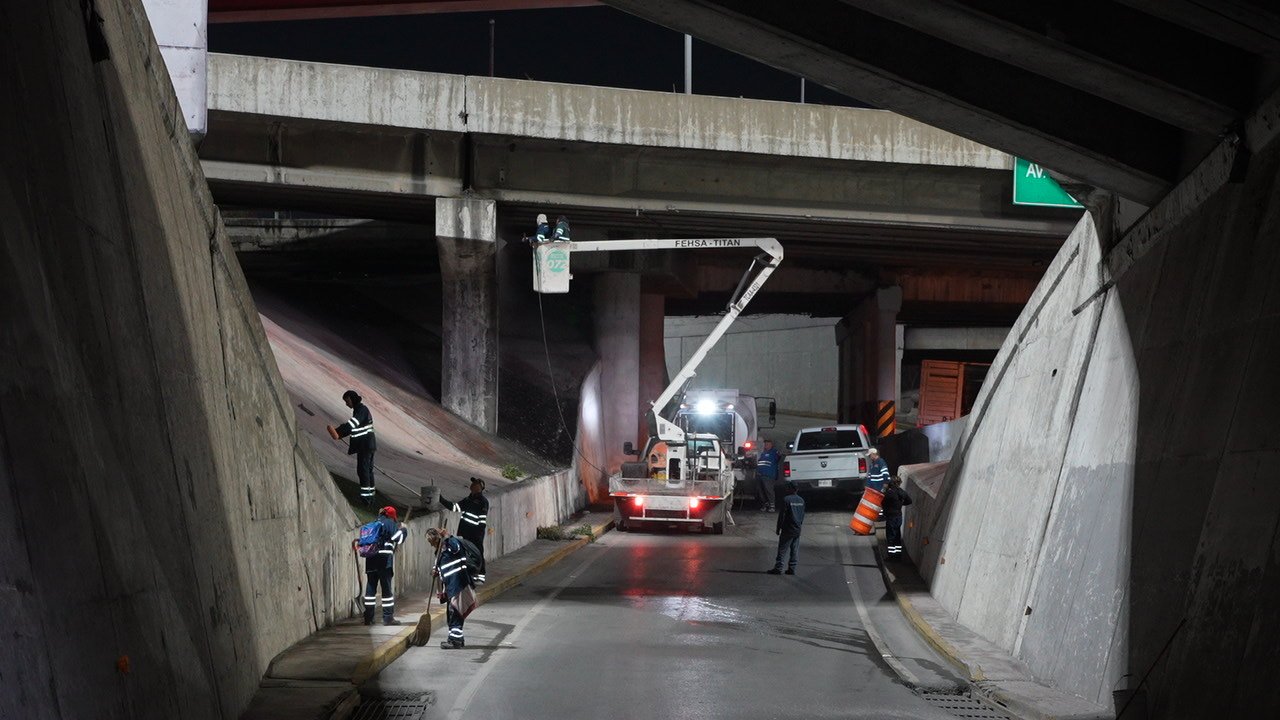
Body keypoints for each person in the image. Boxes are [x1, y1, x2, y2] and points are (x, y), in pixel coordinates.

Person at [428, 527, 482, 649]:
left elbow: (456, 549)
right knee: (453, 613)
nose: (431, 545)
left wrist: (447, 536)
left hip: (458, 583)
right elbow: (444, 565)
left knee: (455, 612)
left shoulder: (451, 543)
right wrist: (436, 571)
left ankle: (455, 641)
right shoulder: (441, 551)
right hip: (451, 585)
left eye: (431, 542)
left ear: (436, 539)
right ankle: (456, 638)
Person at [356, 506, 406, 626]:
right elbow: (397, 539)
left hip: (371, 559)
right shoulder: (389, 523)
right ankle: (388, 618)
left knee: (371, 588)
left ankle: (368, 617)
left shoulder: (373, 523)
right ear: (391, 516)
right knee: (386, 590)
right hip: (384, 561)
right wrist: (404, 530)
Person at [327, 390, 377, 506]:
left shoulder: (361, 410)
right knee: (368, 471)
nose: (346, 404)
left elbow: (353, 424)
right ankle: (370, 498)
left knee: (363, 471)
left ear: (352, 398)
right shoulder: (360, 409)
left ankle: (366, 499)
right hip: (368, 445)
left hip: (365, 446)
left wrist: (339, 432)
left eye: (347, 401)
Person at [441, 477, 490, 582]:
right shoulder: (468, 500)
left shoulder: (483, 502)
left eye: (475, 484)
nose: (471, 485)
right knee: (467, 553)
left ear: (479, 488)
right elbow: (455, 507)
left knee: (478, 553)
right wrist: (441, 499)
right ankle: (471, 573)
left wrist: (479, 534)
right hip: (465, 532)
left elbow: (482, 520)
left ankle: (480, 575)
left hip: (476, 534)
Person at [768, 481, 805, 575]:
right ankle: (792, 568)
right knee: (794, 549)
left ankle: (778, 568)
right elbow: (802, 515)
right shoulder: (801, 500)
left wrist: (778, 528)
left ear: (790, 489)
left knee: (782, 549)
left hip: (787, 529)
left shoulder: (786, 500)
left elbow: (782, 516)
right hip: (797, 529)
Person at [882, 477, 913, 560]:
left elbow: (883, 502)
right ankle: (898, 555)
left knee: (891, 537)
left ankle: (891, 557)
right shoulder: (902, 492)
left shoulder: (890, 493)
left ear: (891, 484)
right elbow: (909, 501)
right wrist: (900, 504)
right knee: (897, 536)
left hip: (891, 517)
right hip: (899, 517)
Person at [755, 439, 779, 512]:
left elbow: (779, 457)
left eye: (768, 444)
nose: (766, 445)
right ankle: (765, 504)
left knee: (769, 490)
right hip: (760, 475)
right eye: (765, 444)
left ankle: (772, 506)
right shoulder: (763, 453)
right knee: (761, 491)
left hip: (769, 475)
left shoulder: (774, 452)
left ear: (771, 445)